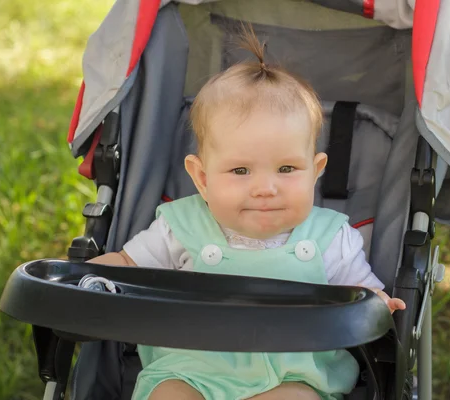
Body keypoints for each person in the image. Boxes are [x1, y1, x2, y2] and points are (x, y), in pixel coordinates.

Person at [89, 25, 405, 400]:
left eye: (286, 169)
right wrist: (87, 276)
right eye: (240, 171)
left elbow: (360, 294)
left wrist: (378, 301)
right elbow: (126, 264)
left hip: (293, 372)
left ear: (317, 171)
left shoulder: (330, 237)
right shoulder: (180, 226)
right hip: (190, 369)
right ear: (202, 178)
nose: (265, 188)